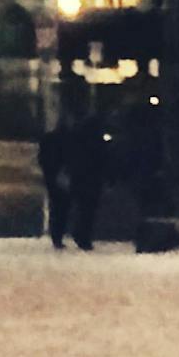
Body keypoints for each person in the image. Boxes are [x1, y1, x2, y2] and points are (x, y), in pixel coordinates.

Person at [62, 106, 106, 250]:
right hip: (92, 177)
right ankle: (83, 235)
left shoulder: (77, 138)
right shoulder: (97, 141)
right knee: (89, 209)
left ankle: (81, 233)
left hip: (80, 177)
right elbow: (103, 158)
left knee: (83, 208)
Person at [37, 116, 72, 250]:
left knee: (56, 205)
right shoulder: (69, 139)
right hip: (63, 174)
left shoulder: (48, 138)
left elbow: (42, 158)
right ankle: (58, 234)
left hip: (51, 175)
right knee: (63, 207)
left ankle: (55, 234)